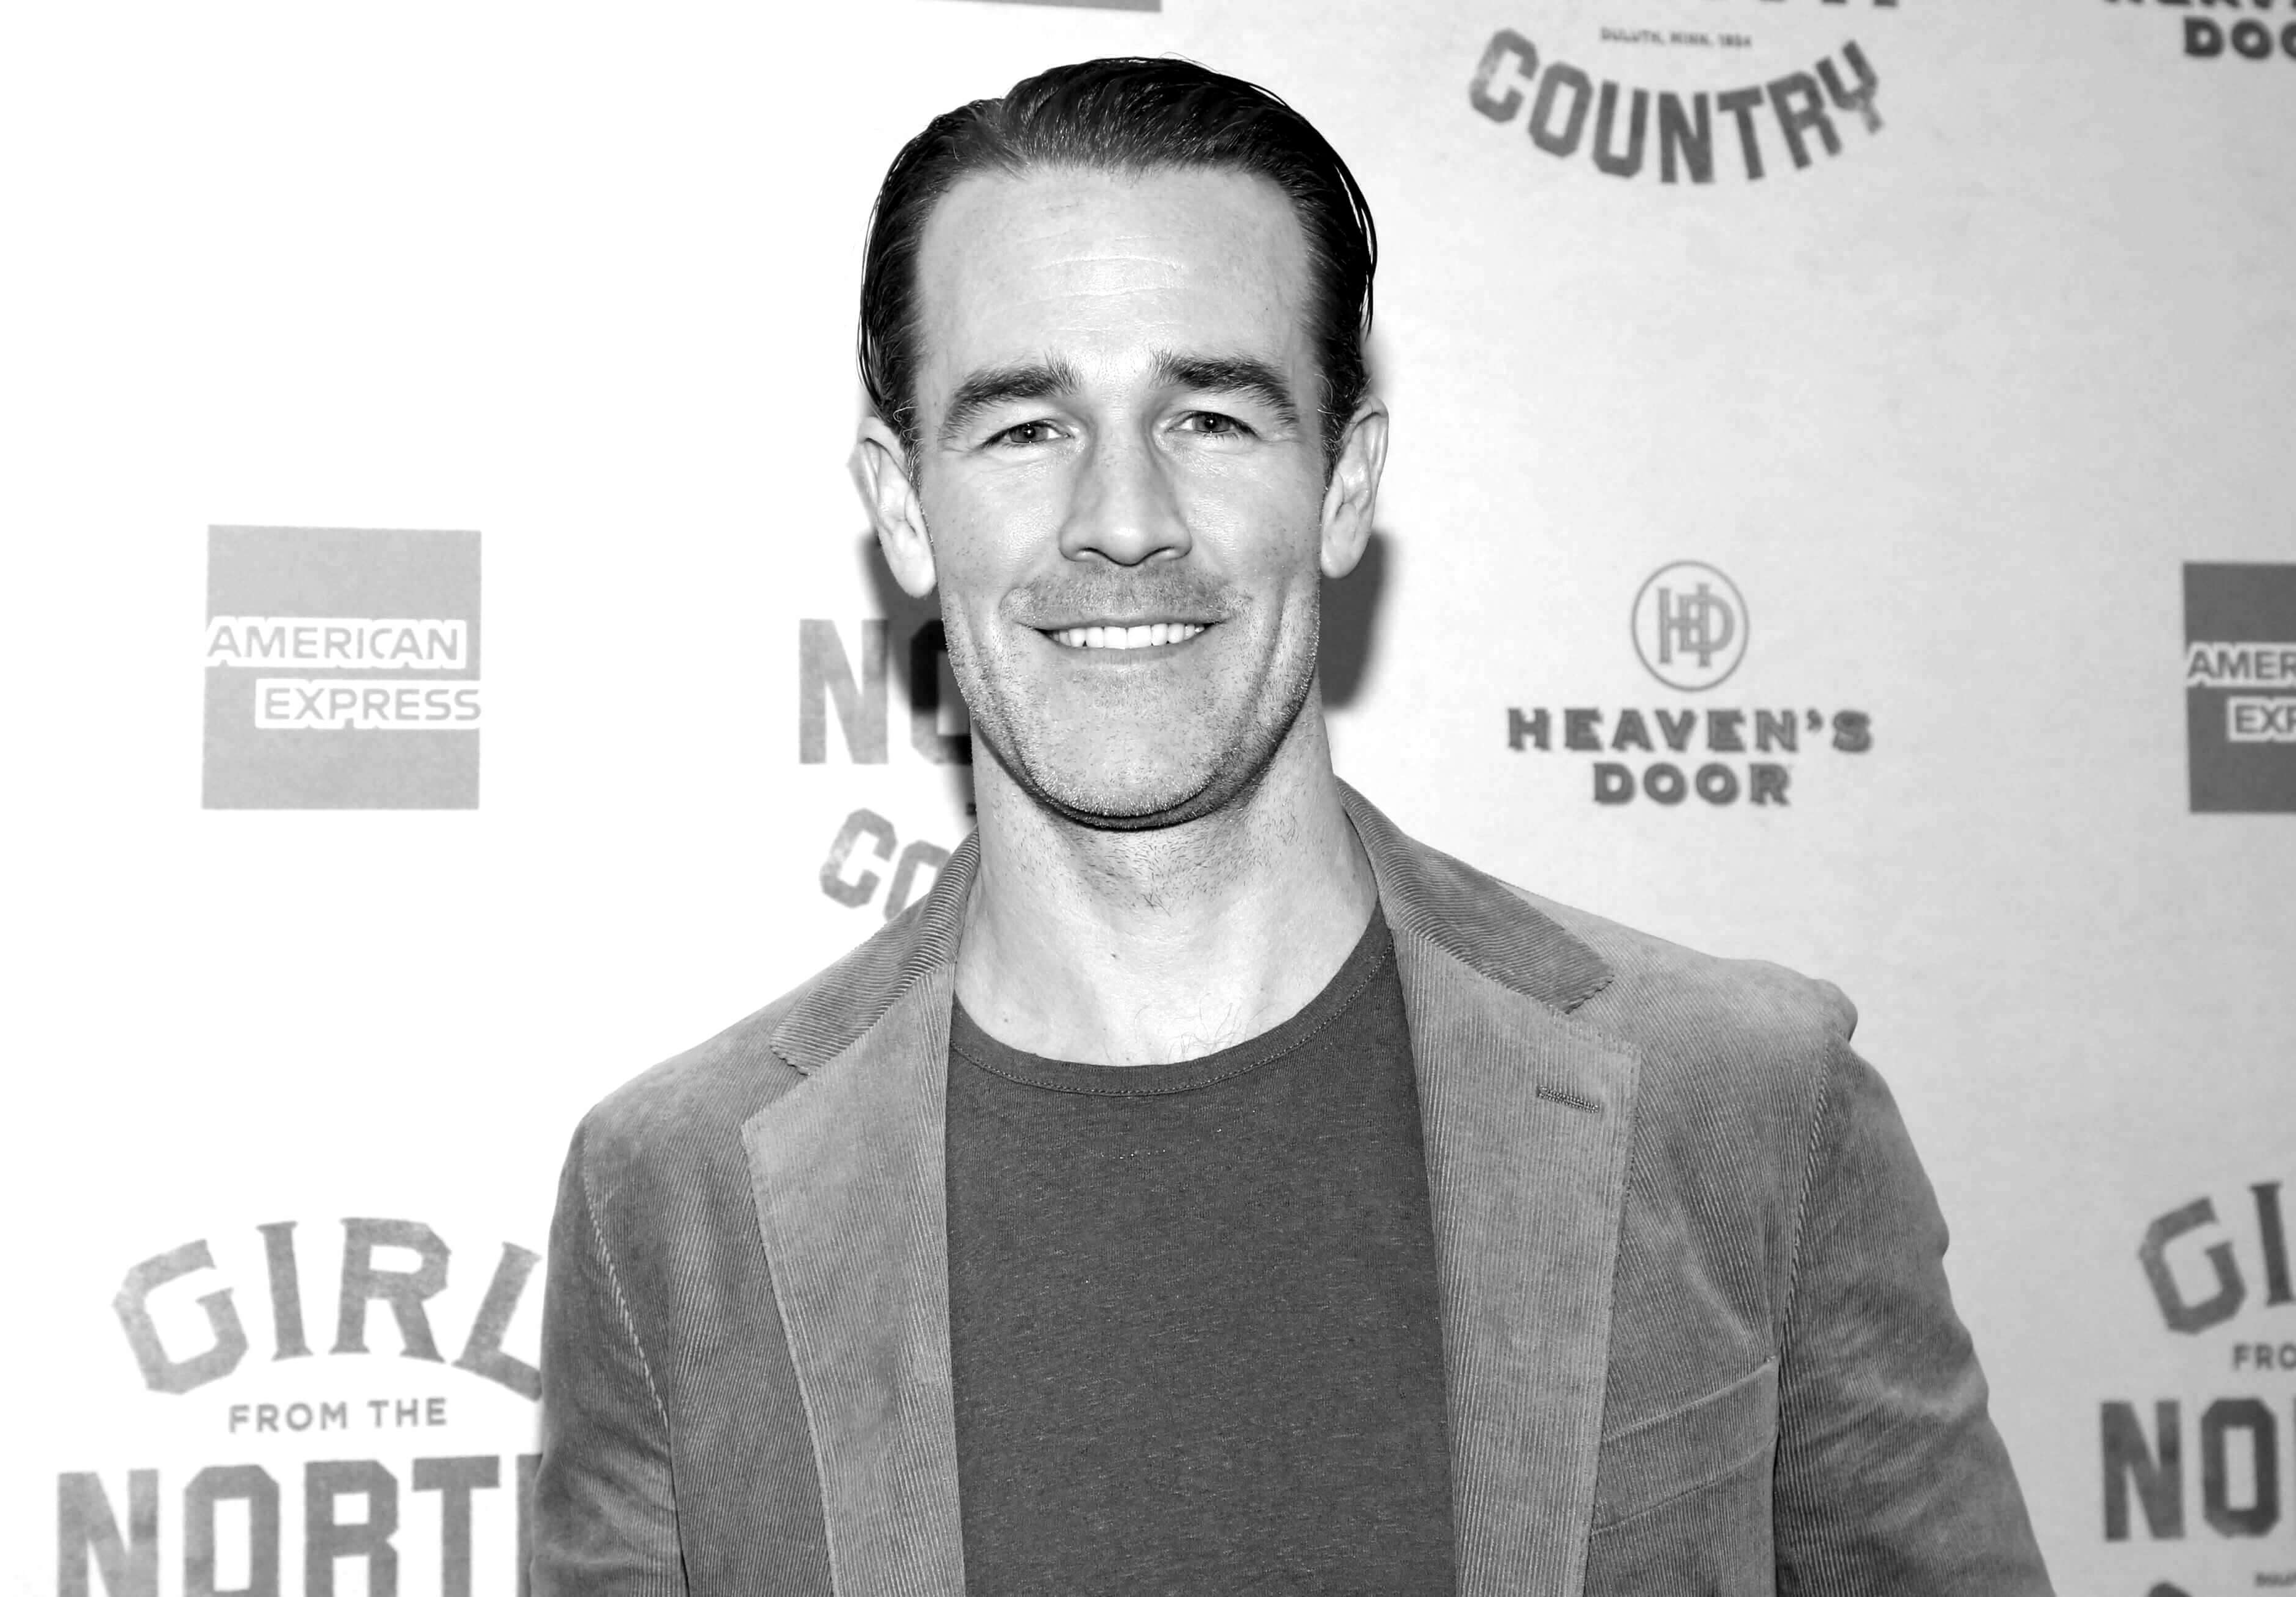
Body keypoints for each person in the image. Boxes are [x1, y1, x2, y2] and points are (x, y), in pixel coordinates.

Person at [533, 56, 2053, 1597]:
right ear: (905, 505)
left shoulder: (1747, 1106)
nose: (1124, 520)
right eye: (1026, 428)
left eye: (1208, 416)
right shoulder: (675, 1199)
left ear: (1343, 484)